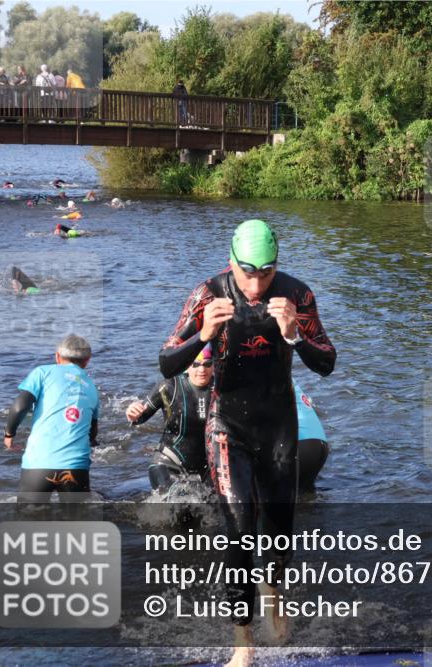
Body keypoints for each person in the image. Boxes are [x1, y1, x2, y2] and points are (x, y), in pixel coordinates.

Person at [159, 219, 335, 665]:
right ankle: (243, 643)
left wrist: (295, 335)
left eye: (266, 272)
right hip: (227, 426)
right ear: (231, 262)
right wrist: (203, 335)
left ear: (277, 265)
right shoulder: (208, 293)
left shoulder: (297, 294)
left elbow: (327, 363)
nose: (256, 284)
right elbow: (165, 362)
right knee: (237, 532)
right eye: (247, 272)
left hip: (278, 424)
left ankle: (273, 590)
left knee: (278, 532)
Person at [4, 335, 100, 502]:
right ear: (87, 361)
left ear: (57, 356)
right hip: (75, 468)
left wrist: (9, 434)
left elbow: (20, 406)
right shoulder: (92, 387)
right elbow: (92, 433)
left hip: (38, 465)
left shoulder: (42, 372)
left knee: (27, 524)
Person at [127, 345, 214, 493]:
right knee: (177, 504)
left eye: (207, 364)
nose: (202, 370)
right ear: (187, 366)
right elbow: (139, 418)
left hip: (205, 469)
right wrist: (132, 412)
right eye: (196, 364)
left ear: (214, 365)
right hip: (168, 463)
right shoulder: (169, 387)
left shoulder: (221, 389)